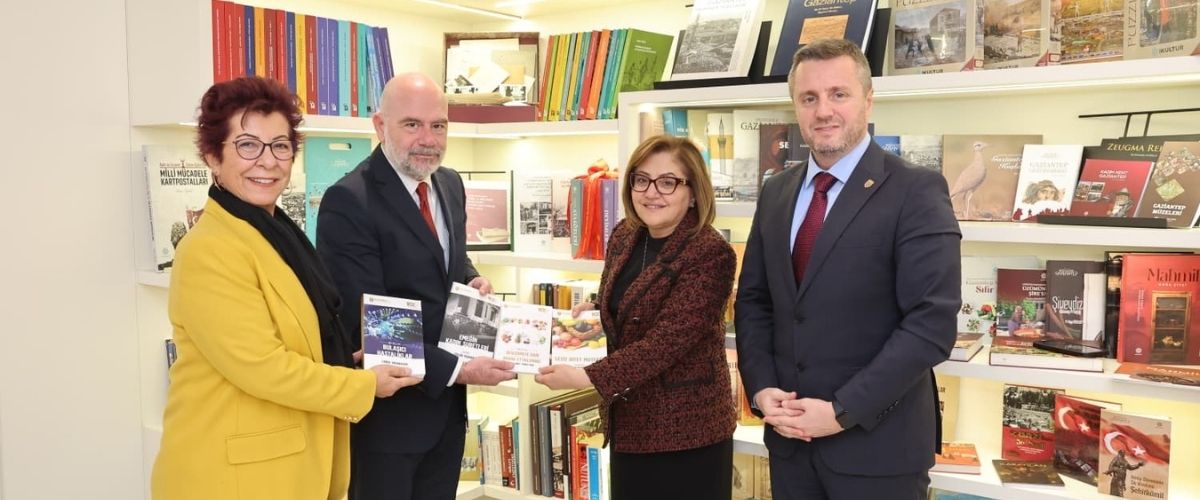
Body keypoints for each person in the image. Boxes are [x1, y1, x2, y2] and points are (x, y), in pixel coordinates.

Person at [151, 76, 420, 500]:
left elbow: (295, 337)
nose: (268, 160)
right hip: (233, 479)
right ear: (211, 156)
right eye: (247, 145)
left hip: (288, 466)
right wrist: (364, 386)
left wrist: (347, 362)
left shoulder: (274, 232)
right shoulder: (209, 250)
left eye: (280, 146)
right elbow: (263, 366)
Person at [734, 39, 961, 499]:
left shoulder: (916, 190)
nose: (823, 111)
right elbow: (755, 301)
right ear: (796, 106)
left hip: (878, 451)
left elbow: (931, 325)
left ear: (868, 98)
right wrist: (760, 390)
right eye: (809, 98)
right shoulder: (776, 191)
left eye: (839, 94)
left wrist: (841, 410)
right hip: (791, 445)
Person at [315, 72, 517, 500]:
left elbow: (446, 256)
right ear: (379, 125)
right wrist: (463, 369)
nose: (428, 139)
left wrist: (470, 278)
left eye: (438, 125)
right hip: (389, 425)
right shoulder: (348, 201)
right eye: (412, 125)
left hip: (446, 417)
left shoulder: (449, 183)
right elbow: (372, 324)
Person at [535, 135, 737, 500]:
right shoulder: (625, 235)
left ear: (693, 192)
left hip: (687, 434)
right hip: (630, 424)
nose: (651, 192)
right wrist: (597, 310)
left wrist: (584, 377)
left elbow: (667, 341)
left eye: (668, 182)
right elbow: (635, 298)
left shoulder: (711, 253)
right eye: (641, 179)